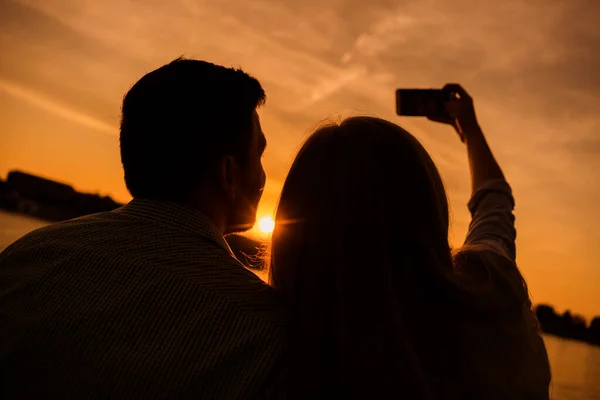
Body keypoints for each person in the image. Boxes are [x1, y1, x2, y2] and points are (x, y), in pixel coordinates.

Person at [0, 58, 284, 399]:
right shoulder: (263, 333)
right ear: (227, 173)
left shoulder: (28, 256)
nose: (264, 178)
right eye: (259, 154)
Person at [269, 84, 551, 399]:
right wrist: (469, 129)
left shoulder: (269, 350)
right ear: (430, 209)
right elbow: (494, 203)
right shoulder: (490, 294)